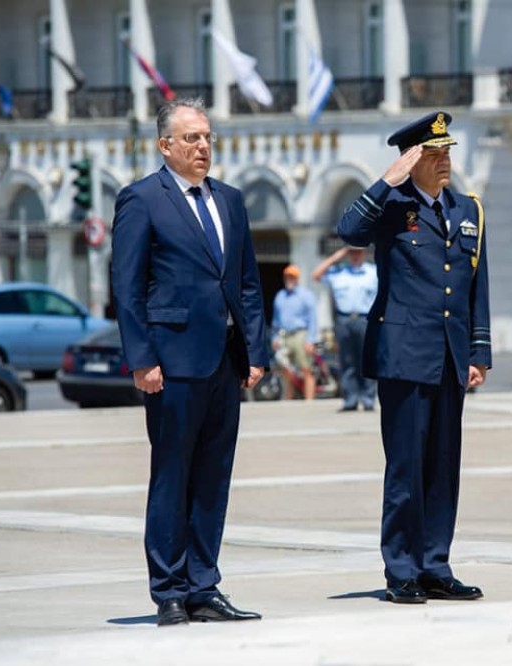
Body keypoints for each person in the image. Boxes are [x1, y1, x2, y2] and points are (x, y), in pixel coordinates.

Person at [111, 98, 268, 626]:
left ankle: (205, 585)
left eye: (207, 137)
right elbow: (127, 289)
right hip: (172, 362)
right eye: (192, 138)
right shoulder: (142, 200)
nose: (203, 147)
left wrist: (256, 351)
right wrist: (141, 358)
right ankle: (169, 590)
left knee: (213, 478)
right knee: (172, 475)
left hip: (225, 361)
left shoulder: (230, 200)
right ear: (165, 145)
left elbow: (246, 283)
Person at [338, 111, 491, 604]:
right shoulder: (392, 207)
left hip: (448, 356)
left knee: (444, 467)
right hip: (403, 356)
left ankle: (435, 565)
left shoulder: (468, 209)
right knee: (405, 467)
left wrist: (478, 352)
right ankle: (401, 569)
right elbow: (348, 232)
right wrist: (387, 181)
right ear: (411, 160)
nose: (444, 162)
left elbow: (475, 288)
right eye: (434, 154)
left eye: (447, 153)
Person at [311, 245, 378, 411]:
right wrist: (337, 257)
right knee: (346, 361)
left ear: (364, 253)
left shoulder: (372, 272)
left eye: (358, 251)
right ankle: (350, 399)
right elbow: (316, 275)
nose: (355, 255)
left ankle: (368, 399)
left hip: (365, 319)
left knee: (367, 359)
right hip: (344, 319)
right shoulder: (339, 272)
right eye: (352, 252)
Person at [272, 264, 318, 400]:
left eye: (292, 276)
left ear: (297, 278)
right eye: (287, 276)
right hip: (284, 335)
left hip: (300, 334)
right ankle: (289, 398)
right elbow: (276, 319)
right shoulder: (280, 296)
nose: (289, 279)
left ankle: (309, 400)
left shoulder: (306, 295)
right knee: (285, 367)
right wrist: (274, 337)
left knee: (305, 368)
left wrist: (310, 340)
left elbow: (312, 319)